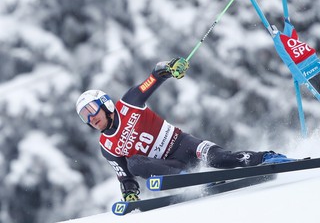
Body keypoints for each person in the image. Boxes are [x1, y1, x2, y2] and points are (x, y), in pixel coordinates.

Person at [76, 57, 294, 202]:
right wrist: (130, 193)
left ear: (106, 104)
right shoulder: (107, 147)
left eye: (91, 110)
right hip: (168, 166)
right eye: (84, 116)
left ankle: (266, 158)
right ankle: (188, 176)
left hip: (183, 144)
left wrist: (170, 67)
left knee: (221, 158)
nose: (90, 118)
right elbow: (125, 176)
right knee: (133, 163)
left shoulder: (129, 103)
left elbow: (154, 76)